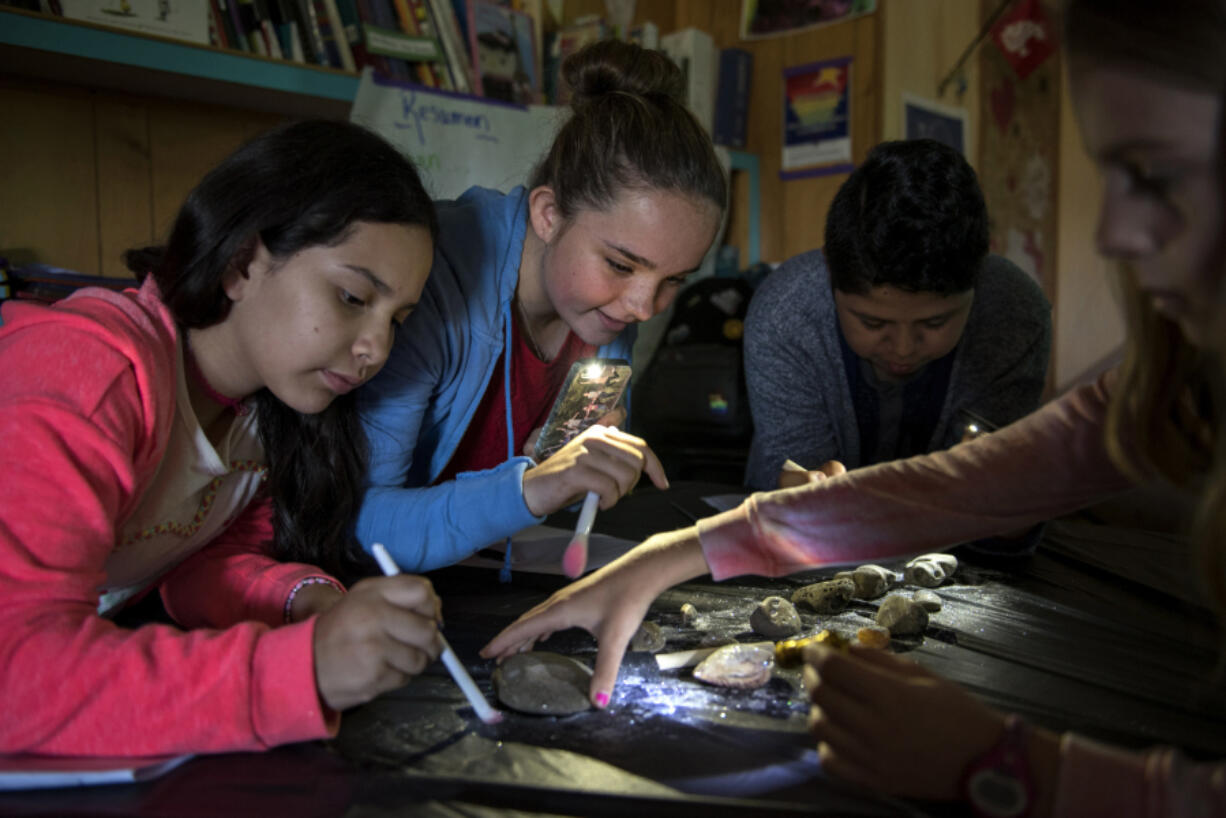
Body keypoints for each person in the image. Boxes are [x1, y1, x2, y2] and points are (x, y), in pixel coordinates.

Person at [482, 0, 1226, 812]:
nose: (1113, 230)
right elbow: (965, 486)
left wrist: (1013, 766)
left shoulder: (1019, 317)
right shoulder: (1158, 381)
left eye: (1153, 174)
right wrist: (674, 554)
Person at [0, 120, 443, 756]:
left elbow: (190, 564)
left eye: (397, 319)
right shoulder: (87, 376)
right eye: (351, 297)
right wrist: (301, 670)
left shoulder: (262, 416)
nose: (377, 348)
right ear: (241, 262)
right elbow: (16, 676)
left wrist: (303, 602)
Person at [356, 39, 727, 573]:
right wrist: (532, 486)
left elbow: (546, 490)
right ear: (549, 214)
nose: (644, 308)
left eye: (674, 281)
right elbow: (356, 526)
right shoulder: (431, 280)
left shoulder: (606, 306)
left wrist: (567, 474)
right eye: (622, 265)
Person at [743, 138, 1051, 491]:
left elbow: (996, 514)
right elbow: (793, 482)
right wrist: (798, 488)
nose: (904, 349)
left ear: (977, 282)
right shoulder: (786, 314)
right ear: (831, 276)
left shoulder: (1017, 315)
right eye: (873, 323)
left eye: (935, 322)